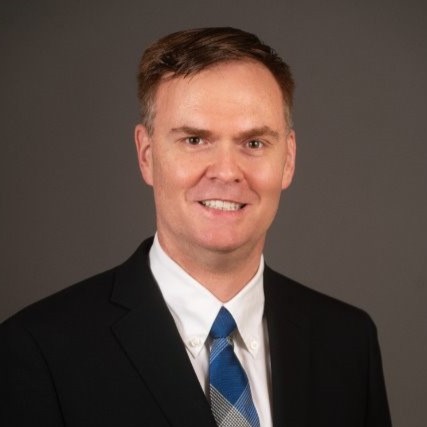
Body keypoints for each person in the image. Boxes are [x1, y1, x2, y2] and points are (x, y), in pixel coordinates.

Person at [0, 27, 391, 427]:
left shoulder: (348, 342)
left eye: (253, 143)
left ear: (288, 159)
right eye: (194, 140)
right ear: (147, 155)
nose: (226, 171)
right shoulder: (39, 351)